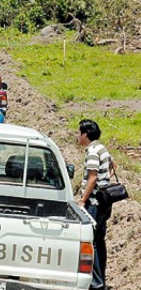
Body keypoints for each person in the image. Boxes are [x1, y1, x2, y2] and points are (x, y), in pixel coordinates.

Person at [77, 120, 113, 290]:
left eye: (79, 133)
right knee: (99, 239)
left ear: (85, 134)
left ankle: (96, 283)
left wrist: (83, 199)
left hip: (94, 202)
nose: (78, 136)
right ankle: (101, 280)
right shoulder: (102, 148)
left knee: (92, 241)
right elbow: (113, 166)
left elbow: (92, 177)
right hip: (105, 201)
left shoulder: (92, 151)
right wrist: (106, 182)